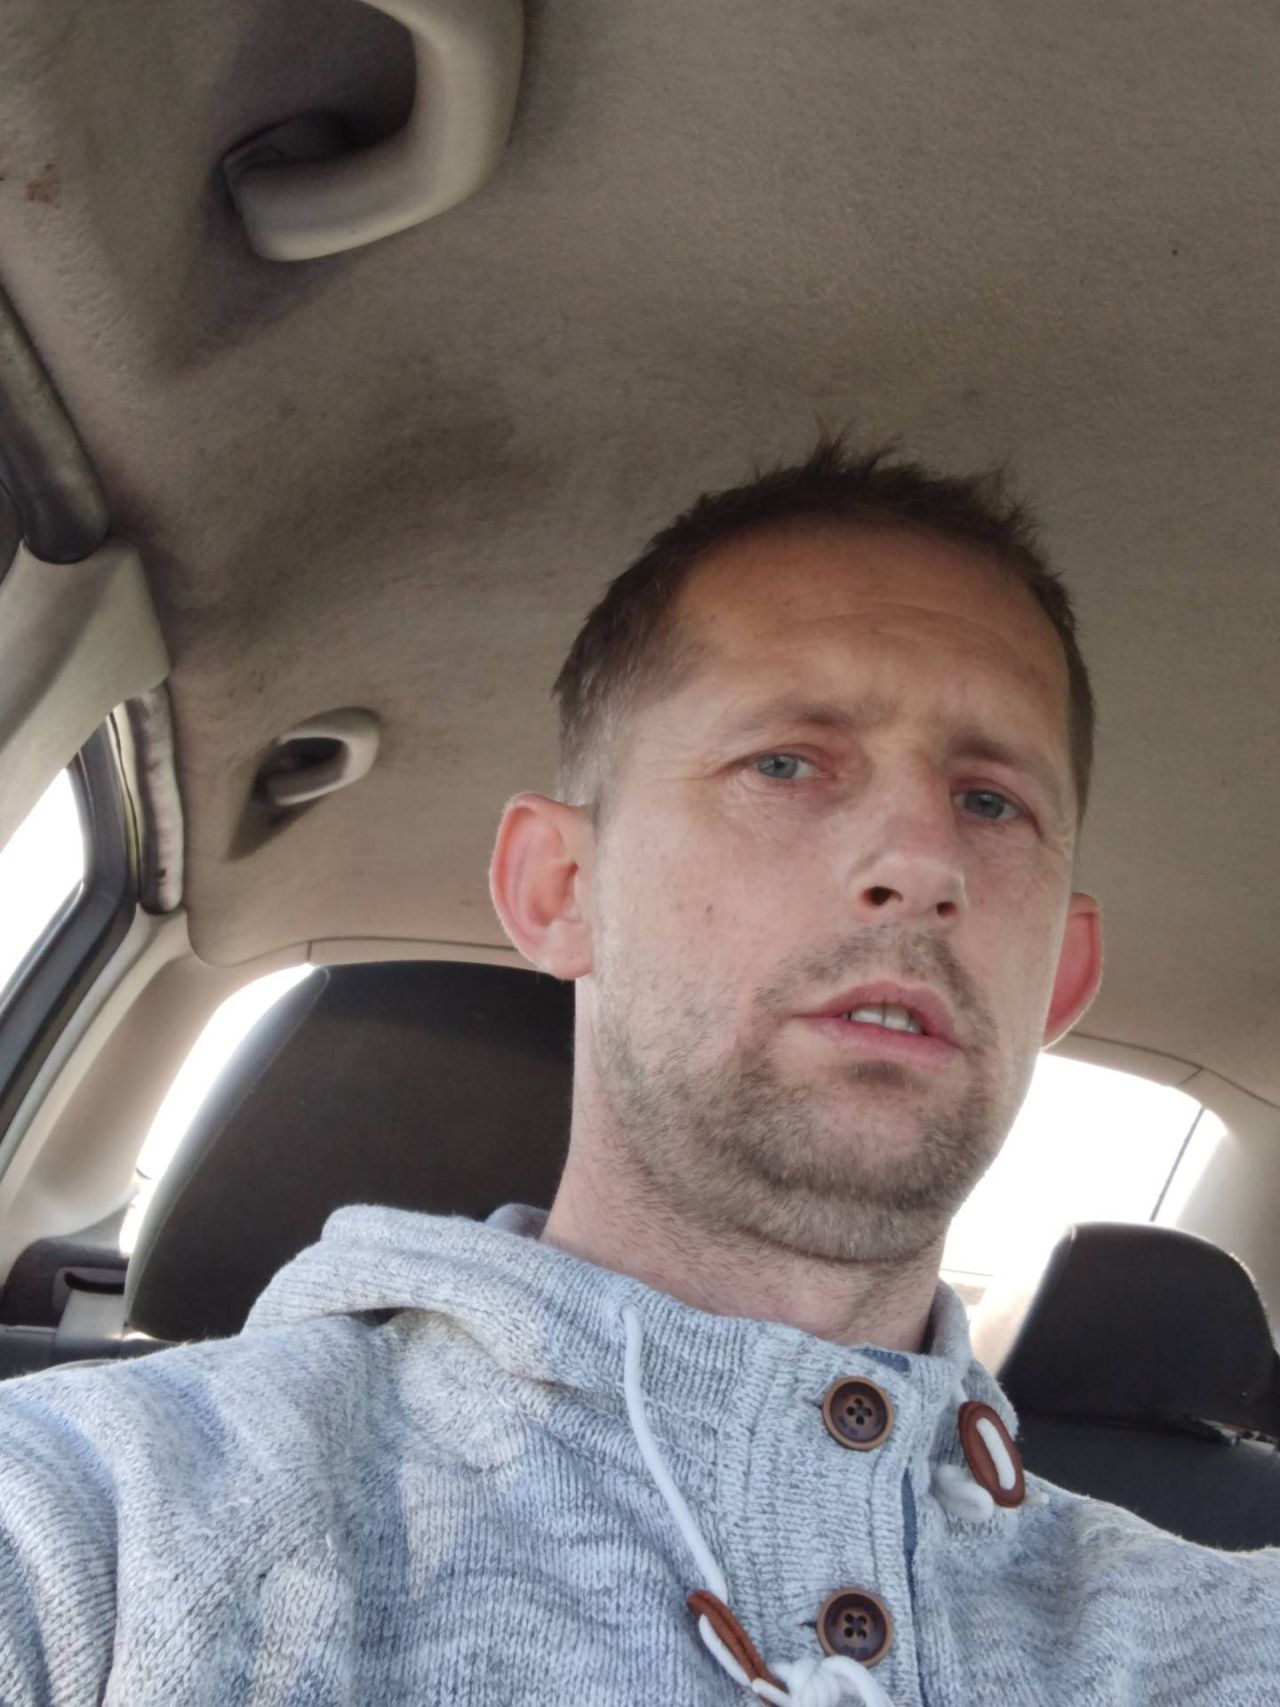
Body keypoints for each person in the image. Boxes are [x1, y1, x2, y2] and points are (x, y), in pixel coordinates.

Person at [1, 434, 1276, 1706]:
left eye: (990, 803)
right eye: (785, 763)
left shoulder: (1221, 1632)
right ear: (559, 889)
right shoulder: (100, 1516)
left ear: (1057, 979)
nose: (920, 861)